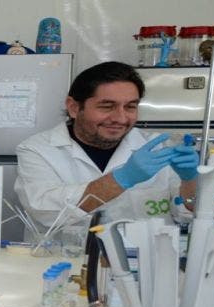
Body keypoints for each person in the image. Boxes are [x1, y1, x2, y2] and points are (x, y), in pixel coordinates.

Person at [14, 61, 199, 229]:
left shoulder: (159, 146)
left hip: (145, 260)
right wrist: (121, 179)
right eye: (107, 106)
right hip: (67, 259)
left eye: (130, 107)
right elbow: (45, 211)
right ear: (74, 108)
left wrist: (189, 179)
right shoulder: (37, 150)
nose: (120, 118)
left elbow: (192, 214)